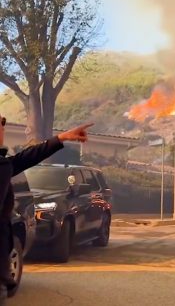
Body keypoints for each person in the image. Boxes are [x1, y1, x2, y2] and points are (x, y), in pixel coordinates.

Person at [0, 115, 93, 303]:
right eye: (0, 125)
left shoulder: (5, 163)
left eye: (2, 125)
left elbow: (25, 158)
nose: (3, 129)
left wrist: (61, 138)